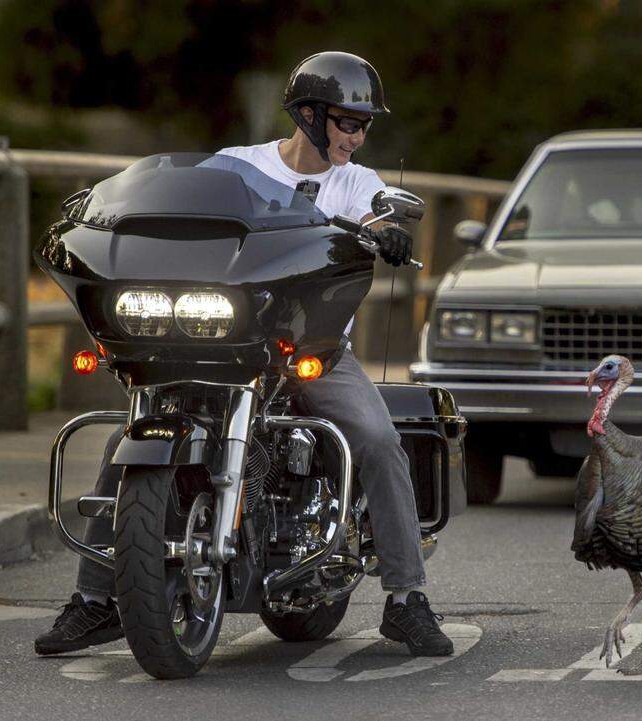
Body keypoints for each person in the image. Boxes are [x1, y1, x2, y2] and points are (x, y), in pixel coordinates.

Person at [34, 52, 454, 658]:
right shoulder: (237, 167)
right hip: (219, 342)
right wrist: (102, 214)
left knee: (377, 438)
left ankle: (407, 599)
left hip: (308, 350)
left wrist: (384, 228)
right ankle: (96, 601)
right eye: (345, 121)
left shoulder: (357, 181)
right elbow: (180, 205)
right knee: (120, 441)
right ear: (308, 115)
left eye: (365, 125)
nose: (356, 136)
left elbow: (374, 208)